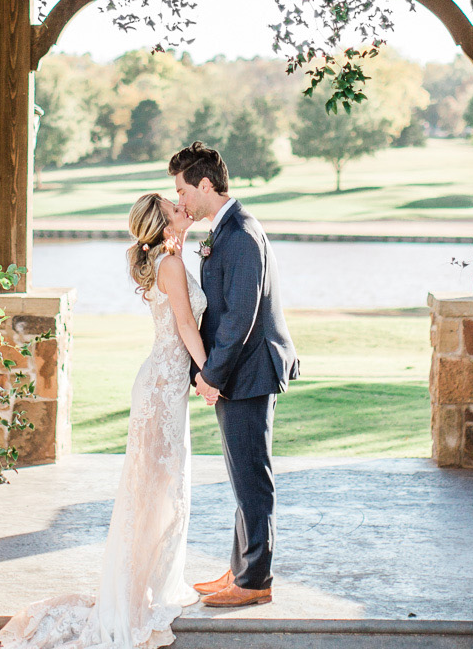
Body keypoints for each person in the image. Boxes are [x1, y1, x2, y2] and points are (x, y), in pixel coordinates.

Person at [0, 192, 208, 649]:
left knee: (158, 491)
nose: (182, 207)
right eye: (174, 208)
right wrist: (209, 376)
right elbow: (186, 327)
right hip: (160, 390)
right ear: (162, 224)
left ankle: (142, 588)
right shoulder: (170, 265)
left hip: (164, 386)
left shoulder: (167, 259)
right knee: (153, 493)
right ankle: (132, 598)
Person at [170, 141, 301, 609]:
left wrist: (211, 374)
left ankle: (255, 581)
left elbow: (240, 318)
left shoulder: (241, 233)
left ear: (205, 185)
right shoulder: (224, 230)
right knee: (241, 475)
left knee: (252, 479)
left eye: (182, 190)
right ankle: (241, 568)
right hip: (240, 373)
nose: (180, 199)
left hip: (249, 373)